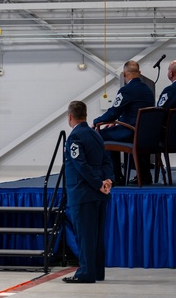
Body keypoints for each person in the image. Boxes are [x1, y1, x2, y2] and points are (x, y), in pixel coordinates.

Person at [62, 101, 113, 283]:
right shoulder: (95, 135)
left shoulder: (75, 138)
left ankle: (86, 273)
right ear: (85, 114)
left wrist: (99, 183)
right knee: (97, 236)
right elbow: (107, 159)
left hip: (83, 193)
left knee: (85, 235)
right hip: (100, 194)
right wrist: (108, 181)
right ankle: (97, 271)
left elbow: (80, 165)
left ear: (70, 116)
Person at [93, 60, 155, 185]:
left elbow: (113, 112)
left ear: (124, 74)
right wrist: (117, 121)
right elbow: (135, 112)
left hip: (130, 131)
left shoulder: (126, 90)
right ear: (140, 73)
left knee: (102, 135)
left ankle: (115, 175)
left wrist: (96, 122)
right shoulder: (148, 90)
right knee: (111, 132)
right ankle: (144, 175)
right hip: (145, 133)